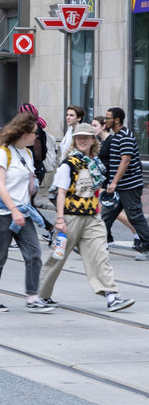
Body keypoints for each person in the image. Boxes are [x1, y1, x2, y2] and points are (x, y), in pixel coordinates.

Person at [38, 123, 135, 312]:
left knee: (100, 256)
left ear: (93, 140)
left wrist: (98, 205)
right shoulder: (68, 163)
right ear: (75, 140)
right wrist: (60, 219)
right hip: (70, 218)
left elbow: (94, 189)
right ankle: (40, 295)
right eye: (79, 137)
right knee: (57, 257)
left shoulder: (95, 163)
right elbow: (61, 192)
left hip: (92, 218)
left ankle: (112, 296)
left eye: (86, 137)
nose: (82, 140)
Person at [0, 113, 54, 313]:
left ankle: (33, 297)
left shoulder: (27, 154)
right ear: (24, 133)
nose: (37, 136)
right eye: (34, 133)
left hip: (24, 212)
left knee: (34, 254)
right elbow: (0, 186)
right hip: (4, 213)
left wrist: (32, 184)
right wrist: (13, 210)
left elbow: (29, 189)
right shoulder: (3, 154)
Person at [100, 107, 149, 260]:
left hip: (129, 186)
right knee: (106, 216)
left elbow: (125, 161)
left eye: (108, 118)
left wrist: (114, 182)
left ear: (117, 120)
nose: (105, 121)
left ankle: (147, 247)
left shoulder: (125, 136)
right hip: (119, 186)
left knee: (135, 216)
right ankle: (92, 245)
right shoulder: (116, 136)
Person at [93, 115, 139, 248]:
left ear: (103, 126)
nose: (93, 128)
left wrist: (114, 181)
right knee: (107, 210)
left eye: (95, 125)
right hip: (103, 179)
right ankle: (107, 238)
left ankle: (136, 232)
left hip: (110, 179)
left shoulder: (111, 140)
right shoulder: (100, 141)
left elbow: (121, 161)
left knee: (107, 210)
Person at [18, 103, 55, 241]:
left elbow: (38, 154)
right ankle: (49, 229)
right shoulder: (36, 127)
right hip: (34, 171)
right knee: (25, 204)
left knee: (25, 205)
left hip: (34, 172)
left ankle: (51, 229)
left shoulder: (35, 130)